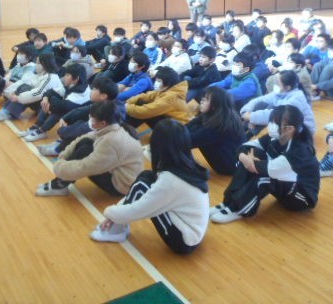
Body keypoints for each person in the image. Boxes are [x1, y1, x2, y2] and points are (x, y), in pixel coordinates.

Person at [90, 119, 209, 255]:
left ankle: (117, 230)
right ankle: (118, 224)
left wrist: (110, 213)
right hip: (193, 231)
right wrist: (116, 214)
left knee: (142, 188)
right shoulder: (187, 164)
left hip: (184, 241)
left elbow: (140, 209)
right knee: (146, 176)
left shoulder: (171, 181)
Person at [210, 105, 320, 224]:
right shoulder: (275, 137)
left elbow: (269, 170)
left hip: (301, 197)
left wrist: (249, 161)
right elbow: (246, 146)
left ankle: (238, 209)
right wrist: (244, 157)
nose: (270, 125)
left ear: (289, 129)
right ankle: (227, 203)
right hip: (285, 184)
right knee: (251, 155)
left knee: (265, 177)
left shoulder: (299, 151)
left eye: (275, 123)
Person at [35, 101, 144, 198]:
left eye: (92, 119)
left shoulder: (111, 141)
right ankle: (60, 183)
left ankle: (59, 185)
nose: (90, 120)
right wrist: (65, 154)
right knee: (86, 142)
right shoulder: (113, 127)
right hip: (116, 170)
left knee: (85, 151)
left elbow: (85, 166)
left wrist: (60, 167)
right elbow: (85, 137)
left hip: (122, 185)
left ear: (103, 123)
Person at [37, 76, 124, 157]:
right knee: (75, 117)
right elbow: (82, 110)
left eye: (94, 89)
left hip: (104, 144)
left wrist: (62, 131)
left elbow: (85, 128)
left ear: (103, 96)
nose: (91, 91)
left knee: (78, 128)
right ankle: (61, 144)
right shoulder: (105, 102)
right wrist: (65, 118)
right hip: (97, 133)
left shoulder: (109, 111)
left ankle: (60, 149)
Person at [21, 64, 91, 142]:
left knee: (58, 111)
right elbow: (51, 91)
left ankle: (42, 130)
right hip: (68, 108)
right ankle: (36, 126)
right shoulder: (72, 84)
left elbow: (63, 107)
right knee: (49, 100)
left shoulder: (81, 92)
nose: (64, 77)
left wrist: (49, 107)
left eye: (67, 75)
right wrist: (45, 98)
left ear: (76, 79)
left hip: (79, 117)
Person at [186, 87, 246, 175]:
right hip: (233, 158)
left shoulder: (219, 125)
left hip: (230, 167)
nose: (201, 101)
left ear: (215, 105)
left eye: (206, 99)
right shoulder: (221, 114)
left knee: (193, 136)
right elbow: (190, 125)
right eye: (203, 98)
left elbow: (189, 140)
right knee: (195, 129)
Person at [0, 54, 62, 122]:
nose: (36, 65)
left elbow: (38, 94)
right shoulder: (40, 74)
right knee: (24, 86)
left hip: (47, 108)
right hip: (40, 103)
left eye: (38, 63)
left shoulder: (51, 77)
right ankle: (6, 112)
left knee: (25, 89)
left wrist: (18, 98)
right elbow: (25, 82)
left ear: (45, 64)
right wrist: (10, 91)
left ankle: (8, 113)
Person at [240, 70, 316, 136]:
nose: (275, 85)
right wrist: (246, 111)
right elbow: (260, 99)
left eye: (277, 83)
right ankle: (245, 130)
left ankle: (248, 134)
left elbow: (274, 114)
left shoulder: (296, 99)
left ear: (288, 87)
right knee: (261, 104)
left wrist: (251, 117)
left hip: (302, 131)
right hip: (287, 122)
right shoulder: (283, 91)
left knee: (271, 113)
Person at [125, 67, 191, 130]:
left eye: (159, 81)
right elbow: (145, 96)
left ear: (167, 84)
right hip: (167, 118)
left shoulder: (171, 97)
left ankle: (128, 130)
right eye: (156, 80)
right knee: (140, 103)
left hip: (175, 128)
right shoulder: (167, 89)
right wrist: (129, 102)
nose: (156, 83)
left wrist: (127, 107)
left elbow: (146, 111)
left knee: (144, 113)